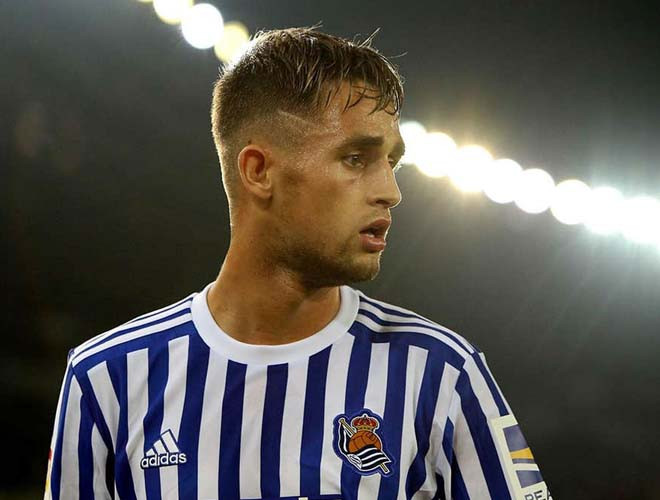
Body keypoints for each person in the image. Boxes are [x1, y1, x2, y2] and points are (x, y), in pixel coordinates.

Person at [45, 26, 551, 500]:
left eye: (391, 162)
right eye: (356, 158)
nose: (391, 191)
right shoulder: (106, 379)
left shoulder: (440, 373)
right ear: (259, 171)